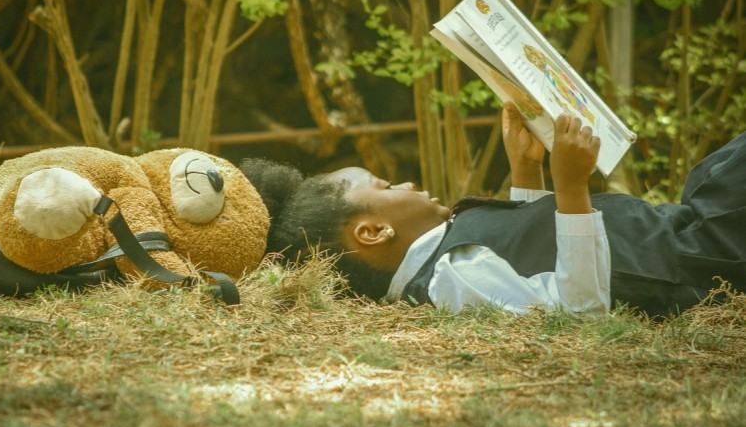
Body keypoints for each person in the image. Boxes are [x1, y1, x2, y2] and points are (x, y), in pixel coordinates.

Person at [240, 103, 746, 317]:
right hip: (695, 256)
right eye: (387, 184)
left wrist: (527, 174)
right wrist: (572, 187)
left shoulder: (446, 255)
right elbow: (576, 306)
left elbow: (530, 255)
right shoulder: (446, 281)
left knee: (711, 172)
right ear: (373, 232)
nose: (408, 181)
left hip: (677, 231)